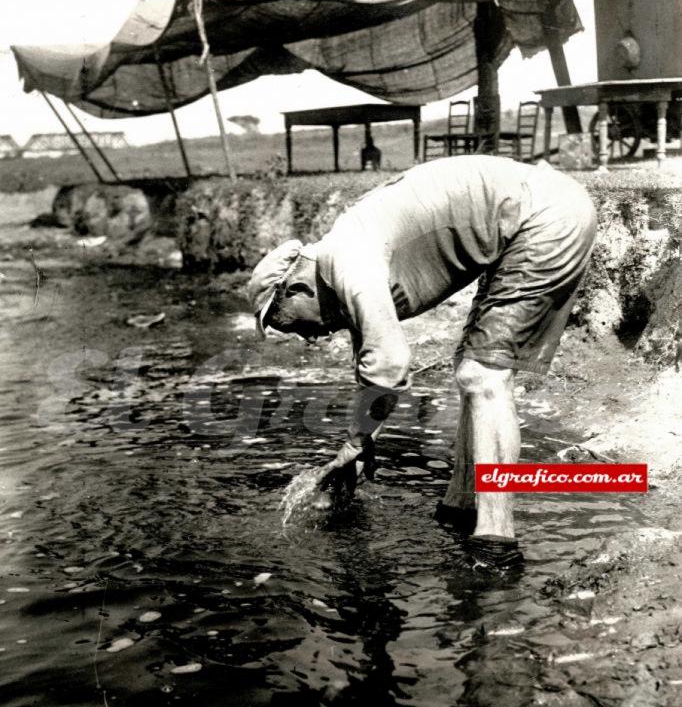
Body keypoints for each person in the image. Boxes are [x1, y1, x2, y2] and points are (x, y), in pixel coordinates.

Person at [247, 156, 597, 567]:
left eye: (290, 325)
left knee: (483, 375)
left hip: (545, 217)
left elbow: (392, 365)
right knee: (472, 369)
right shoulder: (340, 262)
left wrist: (354, 443)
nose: (309, 337)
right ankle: (461, 506)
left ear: (297, 288)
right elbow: (371, 368)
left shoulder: (349, 261)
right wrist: (361, 445)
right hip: (525, 217)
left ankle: (496, 541)